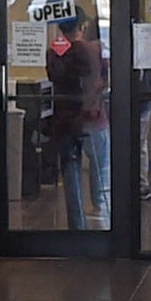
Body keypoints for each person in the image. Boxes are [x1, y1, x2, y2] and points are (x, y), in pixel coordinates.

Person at [47, 15, 110, 231]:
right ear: (82, 27)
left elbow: (55, 75)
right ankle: (101, 208)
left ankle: (77, 225)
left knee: (71, 172)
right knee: (100, 165)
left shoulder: (55, 52)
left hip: (66, 120)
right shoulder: (94, 49)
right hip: (92, 117)